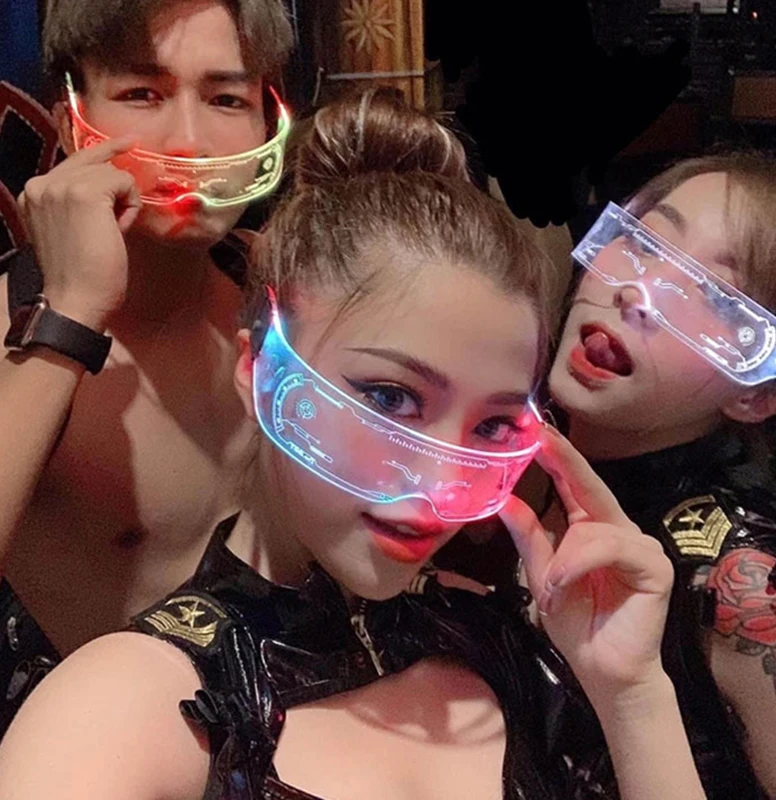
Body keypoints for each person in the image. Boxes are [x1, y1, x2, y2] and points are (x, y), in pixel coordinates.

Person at [0, 89, 704, 800]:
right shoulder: (124, 711)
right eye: (389, 397)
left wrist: (634, 698)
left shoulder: (503, 638)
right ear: (261, 369)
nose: (437, 485)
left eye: (491, 425)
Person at [0, 0, 293, 732]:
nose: (189, 140)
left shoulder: (291, 293)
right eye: (141, 93)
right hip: (95, 747)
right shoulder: (9, 322)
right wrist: (71, 311)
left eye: (226, 99)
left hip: (293, 727)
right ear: (72, 120)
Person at [547, 154, 776, 798]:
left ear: (758, 397)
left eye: (715, 297)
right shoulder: (518, 431)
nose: (639, 295)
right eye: (644, 243)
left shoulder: (746, 581)